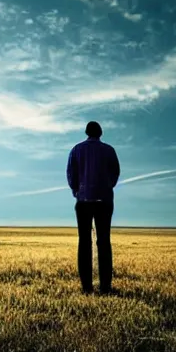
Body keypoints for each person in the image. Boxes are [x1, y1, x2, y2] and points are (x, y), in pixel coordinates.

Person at [66, 121, 120, 294]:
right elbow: (115, 172)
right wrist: (107, 186)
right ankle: (105, 287)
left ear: (86, 132)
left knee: (84, 242)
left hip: (83, 201)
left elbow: (71, 173)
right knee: (104, 242)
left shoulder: (76, 150)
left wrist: (77, 190)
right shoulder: (109, 150)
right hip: (104, 201)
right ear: (100, 133)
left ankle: (87, 287)